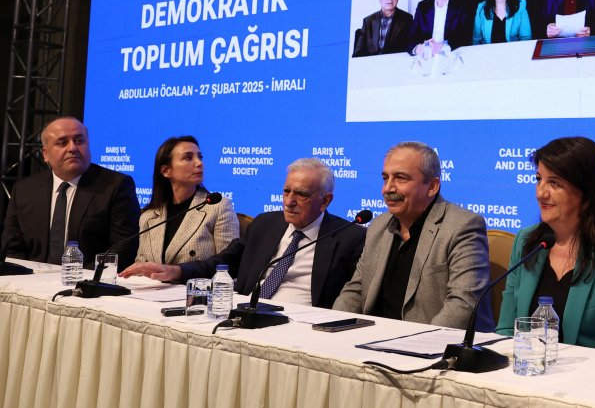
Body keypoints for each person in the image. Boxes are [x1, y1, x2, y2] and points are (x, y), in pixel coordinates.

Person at [120, 158, 365, 309]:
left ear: (325, 201)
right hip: (248, 315)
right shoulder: (265, 223)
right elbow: (224, 262)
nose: (289, 202)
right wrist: (177, 271)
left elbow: (353, 298)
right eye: (286, 191)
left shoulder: (348, 237)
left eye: (301, 194)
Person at [496, 137, 595, 355]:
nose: (541, 192)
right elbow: (506, 330)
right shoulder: (526, 242)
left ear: (587, 195)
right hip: (531, 374)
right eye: (539, 179)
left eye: (554, 183)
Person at [333, 142, 492, 329]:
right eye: (385, 178)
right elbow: (356, 290)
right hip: (372, 340)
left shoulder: (462, 226)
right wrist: (333, 327)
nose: (388, 189)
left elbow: (463, 304)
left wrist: (418, 345)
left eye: (400, 178)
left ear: (432, 186)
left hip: (434, 345)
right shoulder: (378, 226)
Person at [3, 117, 140, 269]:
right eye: (62, 143)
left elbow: (123, 248)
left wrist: (77, 277)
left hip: (86, 280)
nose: (73, 148)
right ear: (46, 154)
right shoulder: (25, 190)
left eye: (79, 141)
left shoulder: (115, 185)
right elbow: (12, 248)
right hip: (33, 279)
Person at [134, 135, 238, 265]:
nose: (199, 163)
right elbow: (141, 264)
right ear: (166, 171)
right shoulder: (148, 216)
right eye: (188, 158)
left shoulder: (218, 207)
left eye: (200, 157)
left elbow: (229, 264)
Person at [351, 0, 416, 57]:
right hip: (371, 65)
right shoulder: (368, 21)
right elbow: (358, 53)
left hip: (395, 65)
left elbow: (411, 47)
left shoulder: (407, 19)